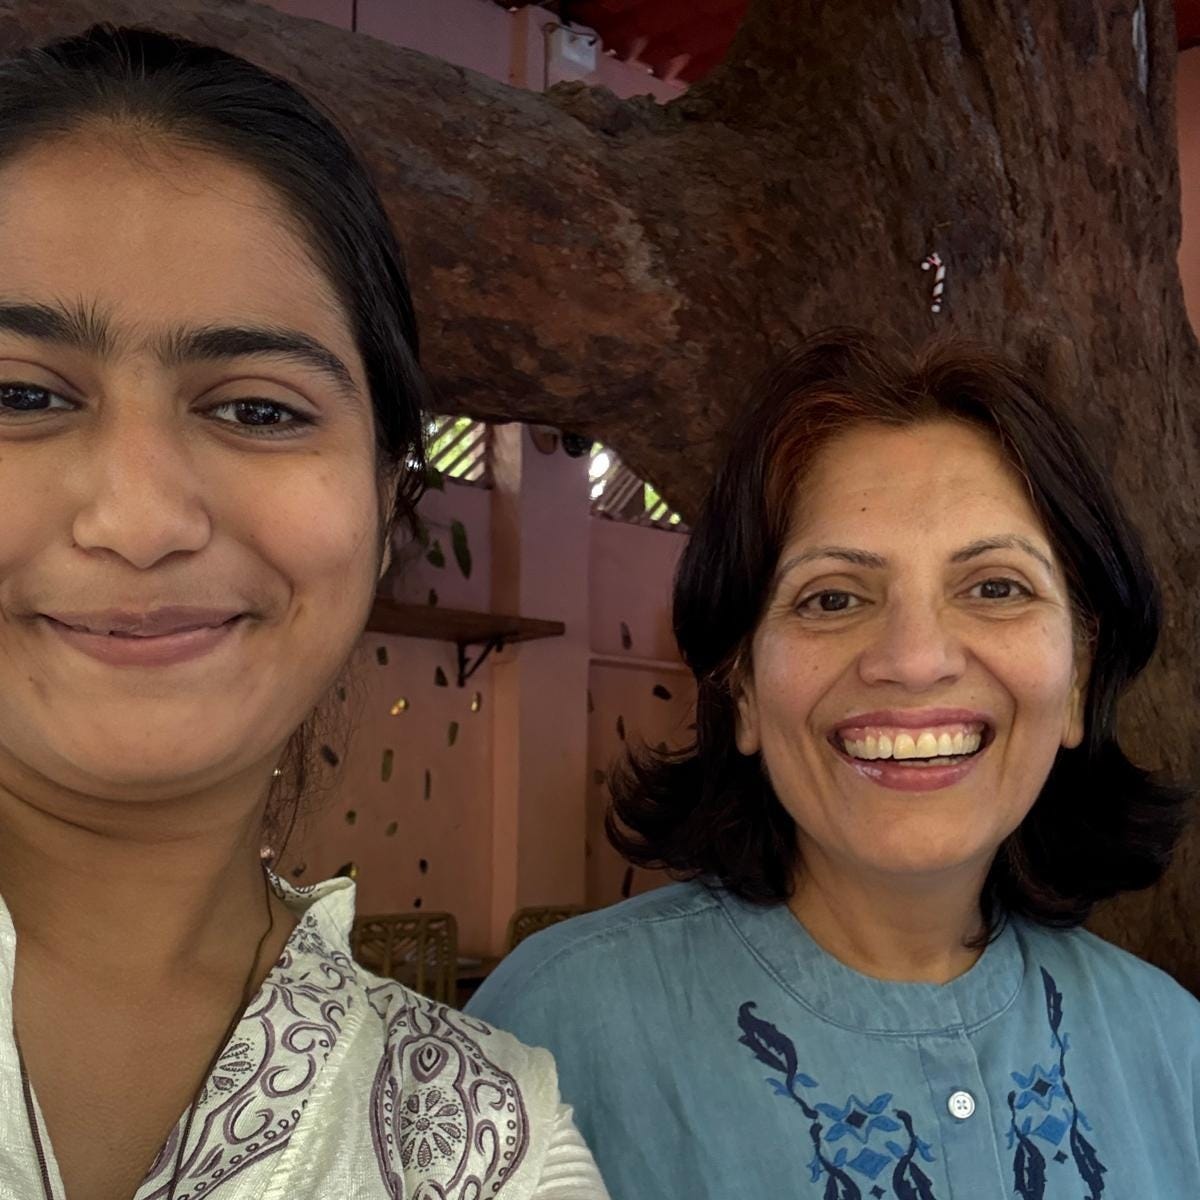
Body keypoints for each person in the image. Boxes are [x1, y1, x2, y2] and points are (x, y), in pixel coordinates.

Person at [0, 24, 607, 1200]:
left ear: (387, 505)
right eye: (20, 393)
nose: (138, 517)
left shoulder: (486, 1141)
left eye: (261, 411)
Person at [469, 331, 1200, 1199]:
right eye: (832, 598)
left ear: (1079, 676)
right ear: (738, 685)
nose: (915, 658)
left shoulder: (1174, 1045)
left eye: (996, 587)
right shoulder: (551, 1040)